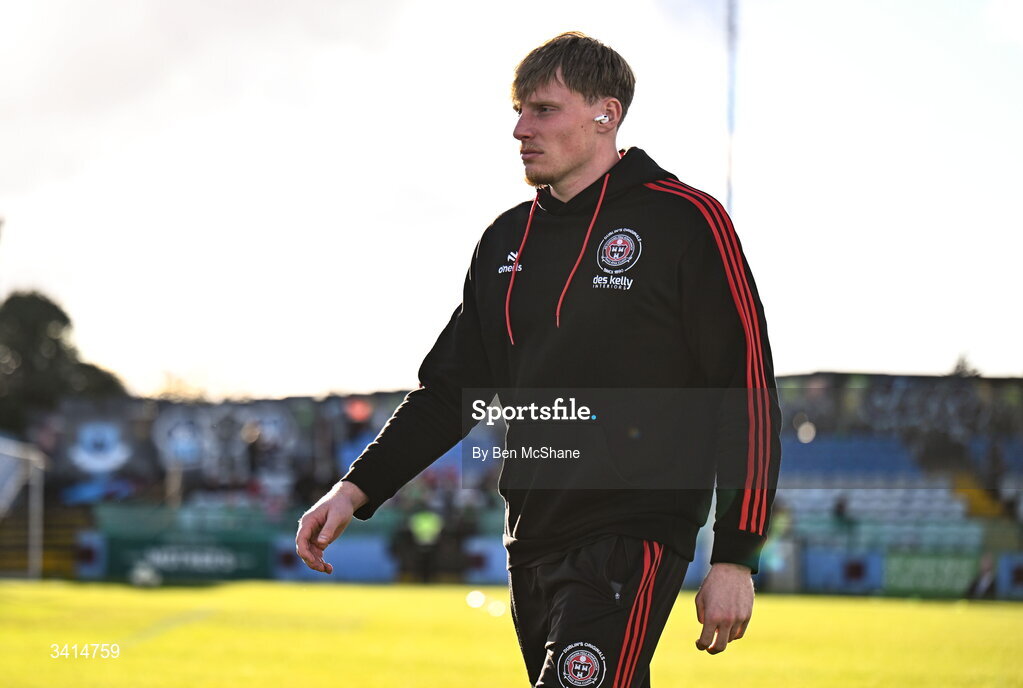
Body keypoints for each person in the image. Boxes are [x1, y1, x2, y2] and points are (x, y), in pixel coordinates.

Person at [296, 31, 782, 687]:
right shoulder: (503, 238)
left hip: (630, 531)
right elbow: (450, 392)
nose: (521, 128)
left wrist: (736, 555)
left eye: (543, 109)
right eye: (519, 109)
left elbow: (742, 389)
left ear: (604, 113)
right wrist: (355, 488)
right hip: (529, 537)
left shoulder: (686, 221)